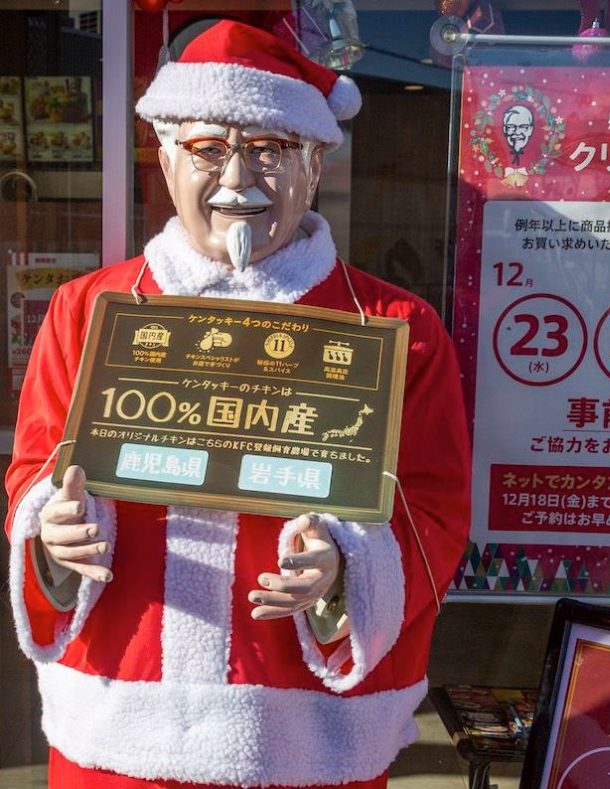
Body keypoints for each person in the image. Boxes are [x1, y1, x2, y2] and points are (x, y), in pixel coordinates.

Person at [4, 19, 470, 789]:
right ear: (165, 158)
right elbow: (34, 471)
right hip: (118, 730)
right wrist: (51, 534)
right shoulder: (88, 310)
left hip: (305, 742)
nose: (236, 179)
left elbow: (435, 513)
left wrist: (347, 569)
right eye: (207, 149)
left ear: (315, 164)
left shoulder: (396, 327)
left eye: (269, 149)